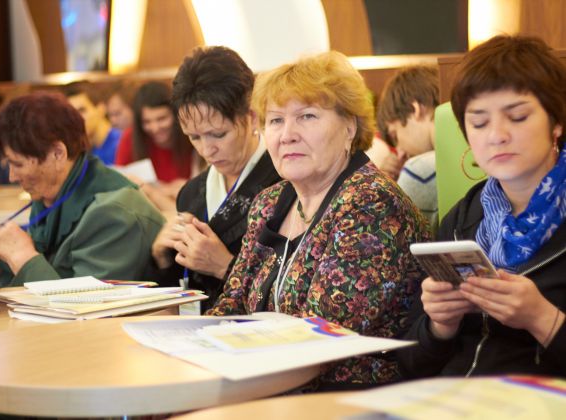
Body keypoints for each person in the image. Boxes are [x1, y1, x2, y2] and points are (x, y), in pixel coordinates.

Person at [207, 51, 430, 390]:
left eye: (307, 116)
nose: (287, 134)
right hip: (268, 381)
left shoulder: (370, 203)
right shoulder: (269, 202)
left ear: (349, 127)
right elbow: (233, 302)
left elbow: (323, 333)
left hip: (349, 394)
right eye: (275, 120)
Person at [399, 35, 566, 378]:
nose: (496, 135)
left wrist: (542, 318)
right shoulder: (463, 218)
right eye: (479, 122)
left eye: (517, 117)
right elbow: (409, 365)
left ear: (557, 122)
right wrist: (439, 326)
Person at [0, 92, 164, 287]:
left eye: (18, 164)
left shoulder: (114, 212)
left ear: (58, 153)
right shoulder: (49, 196)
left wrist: (23, 257)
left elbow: (87, 304)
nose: (12, 177)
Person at [151, 46, 281, 312]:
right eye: (194, 137)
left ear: (251, 116)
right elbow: (180, 294)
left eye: (218, 134)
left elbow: (294, 294)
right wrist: (163, 258)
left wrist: (224, 266)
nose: (206, 150)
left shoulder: (284, 184)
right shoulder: (192, 193)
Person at [114, 81, 199, 211]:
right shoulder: (130, 139)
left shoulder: (191, 136)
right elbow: (120, 184)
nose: (155, 128)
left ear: (176, 115)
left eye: (161, 119)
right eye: (146, 122)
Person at [377, 65, 440, 232]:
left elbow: (387, 235)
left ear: (415, 109)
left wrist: (385, 185)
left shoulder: (419, 170)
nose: (400, 152)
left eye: (395, 136)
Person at [64, 81, 121, 165]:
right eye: (72, 113)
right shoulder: (82, 153)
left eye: (82, 110)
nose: (76, 118)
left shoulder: (122, 143)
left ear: (101, 109)